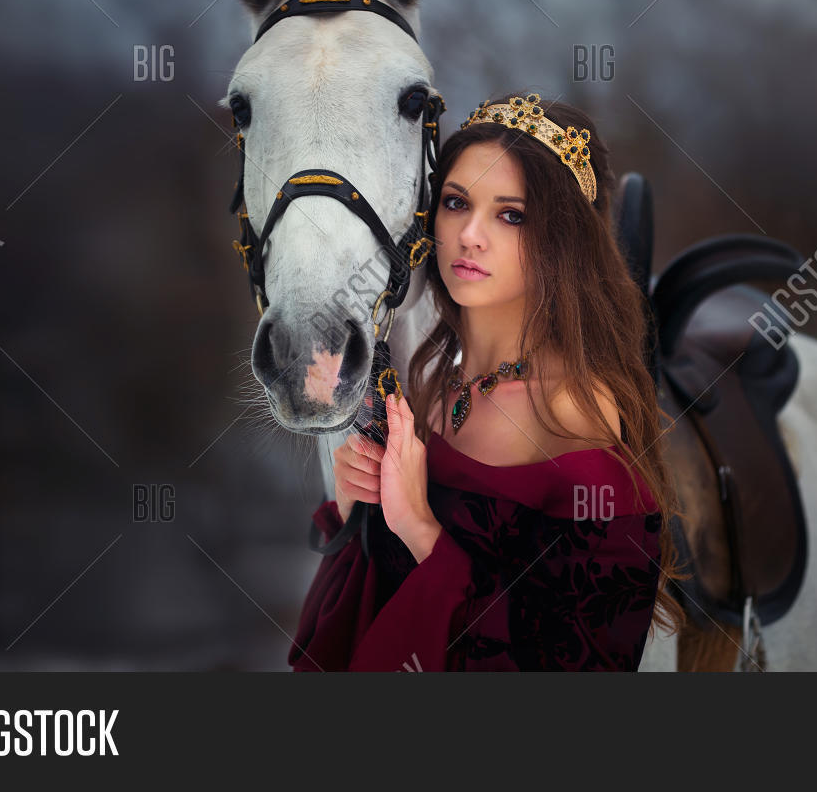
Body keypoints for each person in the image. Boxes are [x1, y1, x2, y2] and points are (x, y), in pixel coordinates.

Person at [289, 92, 685, 671]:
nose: (470, 234)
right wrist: (359, 512)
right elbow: (356, 634)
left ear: (564, 240)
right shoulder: (431, 386)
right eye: (456, 203)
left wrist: (419, 527)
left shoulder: (573, 411)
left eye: (511, 214)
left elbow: (578, 666)